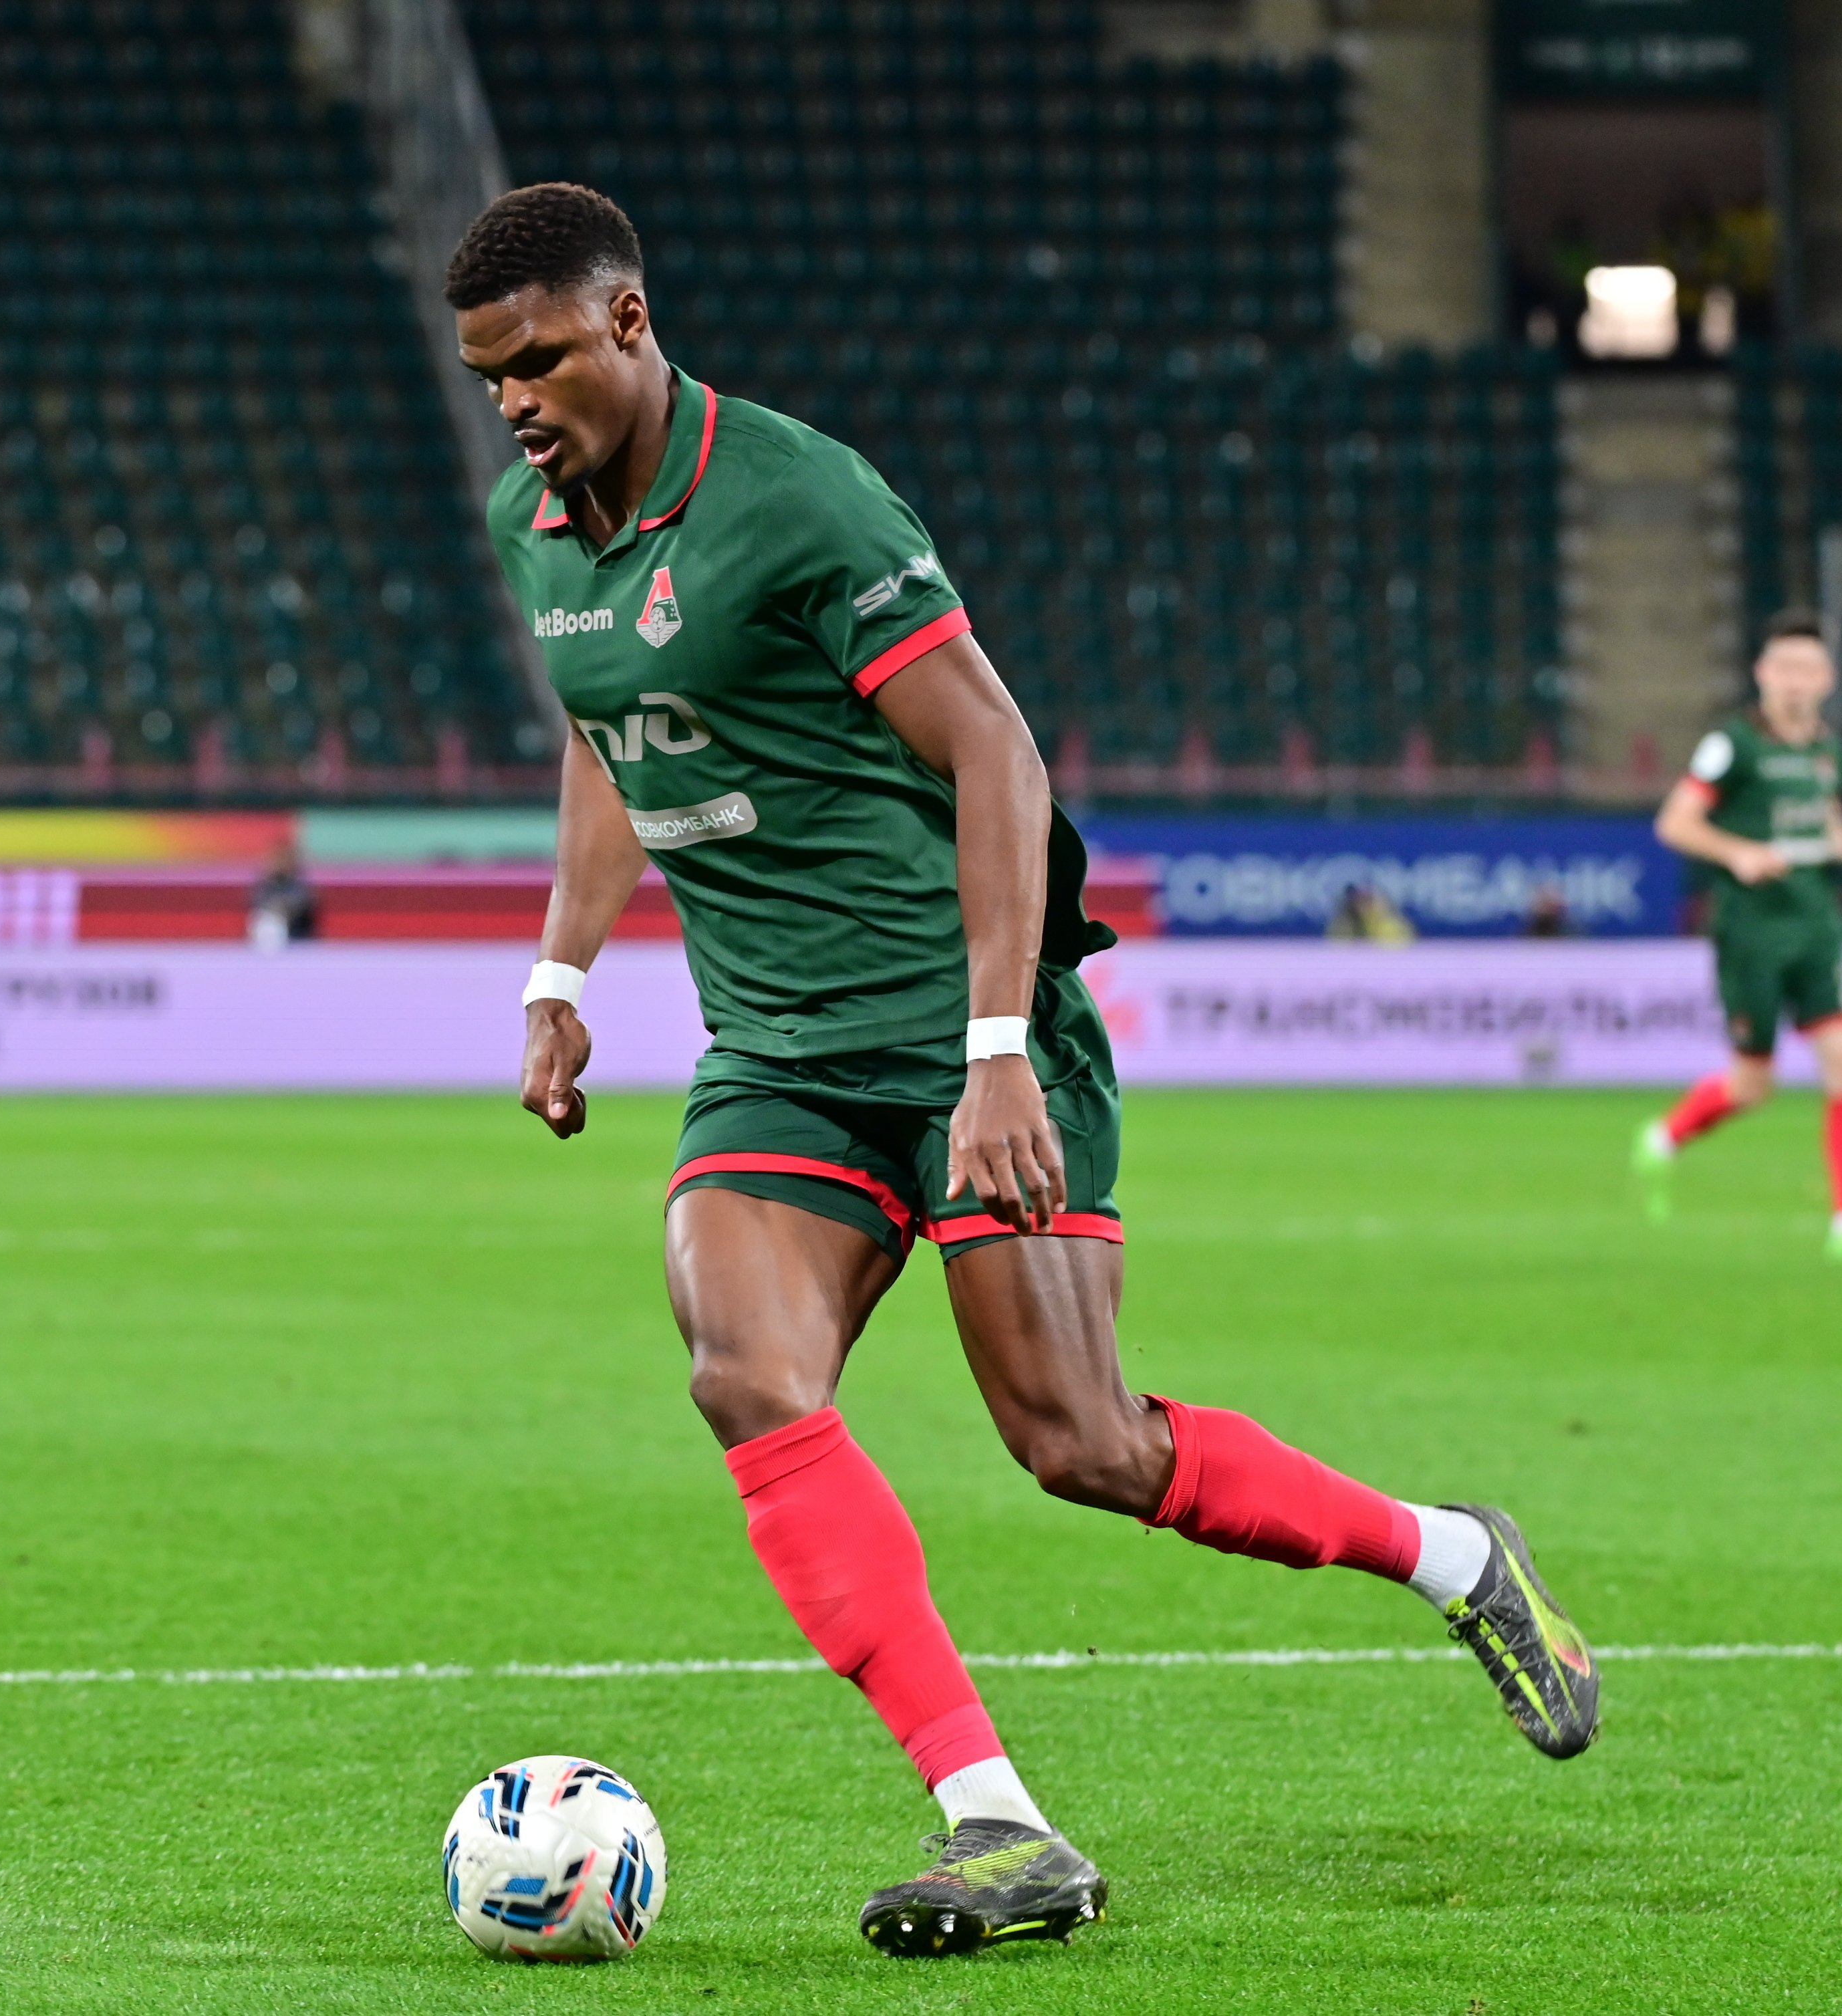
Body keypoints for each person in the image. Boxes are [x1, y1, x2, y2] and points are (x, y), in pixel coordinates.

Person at [453, 182, 1597, 1961]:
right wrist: (559, 969)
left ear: (626, 319)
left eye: (536, 360)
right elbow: (615, 736)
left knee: (1082, 1442)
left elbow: (995, 750)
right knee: (747, 1374)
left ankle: (1453, 1554)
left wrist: (996, 1054)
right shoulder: (535, 530)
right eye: (488, 379)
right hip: (779, 1050)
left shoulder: (798, 499)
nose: (515, 403)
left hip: (967, 1027)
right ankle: (997, 1818)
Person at [1633, 613, 1842, 1261]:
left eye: (1807, 669)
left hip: (1816, 924)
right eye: (1784, 667)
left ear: (1827, 679)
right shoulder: (1733, 745)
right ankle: (1666, 1136)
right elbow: (1674, 824)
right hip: (1751, 930)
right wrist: (1738, 854)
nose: (1795, 681)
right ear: (1762, 674)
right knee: (1753, 1084)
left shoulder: (1830, 752)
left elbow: (1826, 822)